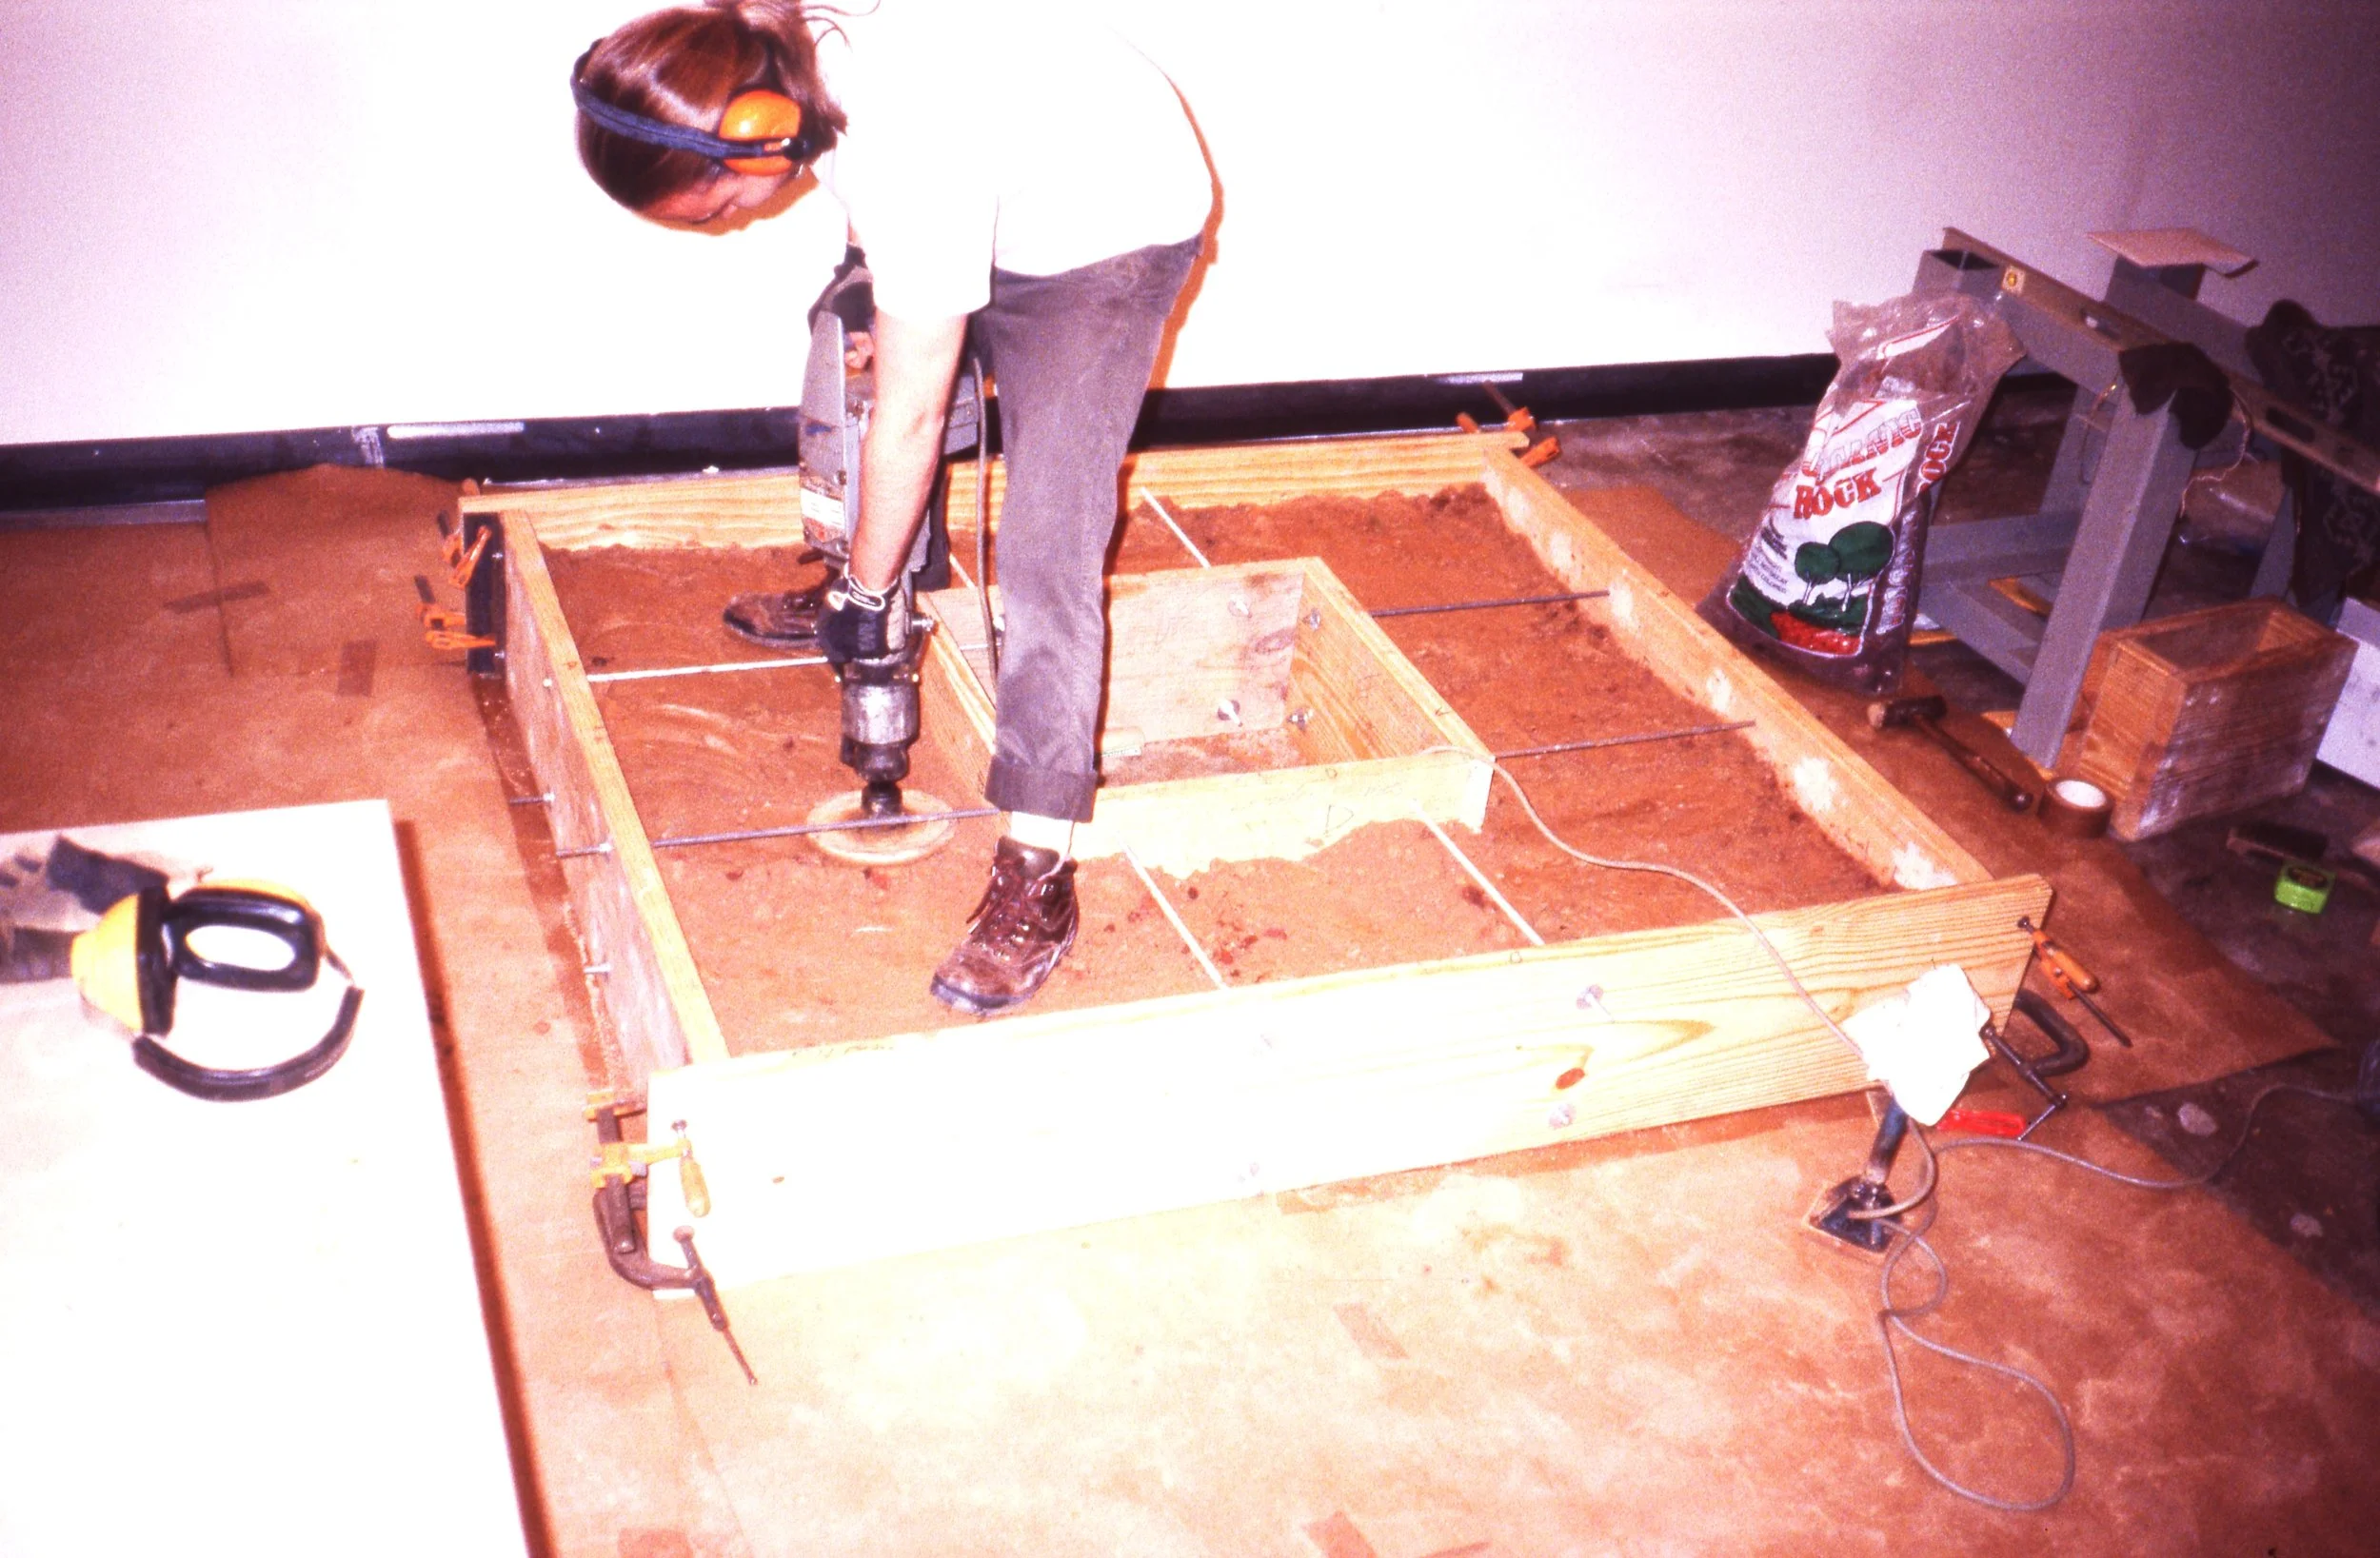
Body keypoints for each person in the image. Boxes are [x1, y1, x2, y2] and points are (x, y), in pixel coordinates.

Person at [571, 0, 1213, 1014]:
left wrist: (863, 592)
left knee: (1049, 546)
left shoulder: (908, 131)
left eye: (719, 209)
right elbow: (867, 197)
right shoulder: (767, 53)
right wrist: (872, 280)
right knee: (853, 335)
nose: (736, 221)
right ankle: (884, 582)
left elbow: (911, 418)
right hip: (996, 175)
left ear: (752, 134)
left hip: (1109, 227)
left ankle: (1038, 871)